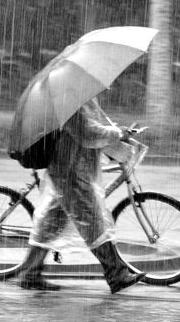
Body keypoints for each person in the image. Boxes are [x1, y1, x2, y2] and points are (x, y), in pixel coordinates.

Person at [17, 99, 145, 293]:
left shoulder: (79, 99)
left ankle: (30, 273)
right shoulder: (69, 103)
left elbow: (93, 126)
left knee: (51, 223)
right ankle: (116, 274)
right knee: (92, 222)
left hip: (71, 169)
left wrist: (118, 131)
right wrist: (118, 133)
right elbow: (87, 132)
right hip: (72, 173)